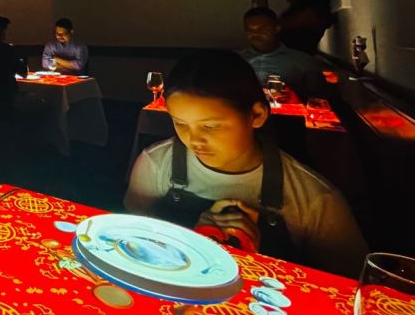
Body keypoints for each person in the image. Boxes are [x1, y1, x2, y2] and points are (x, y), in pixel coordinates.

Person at [125, 50, 366, 277]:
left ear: (257, 115)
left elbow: (345, 287)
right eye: (180, 123)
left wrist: (259, 259)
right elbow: (132, 244)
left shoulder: (315, 199)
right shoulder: (156, 164)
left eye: (210, 126)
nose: (194, 139)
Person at [239, 8, 324, 100]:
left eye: (262, 28)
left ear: (277, 28)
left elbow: (317, 98)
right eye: (249, 29)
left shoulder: (303, 61)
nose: (255, 33)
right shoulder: (236, 60)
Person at [250, 0, 333, 55]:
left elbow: (273, 29)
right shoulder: (301, 12)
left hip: (296, 60)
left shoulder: (311, 14)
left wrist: (262, 5)